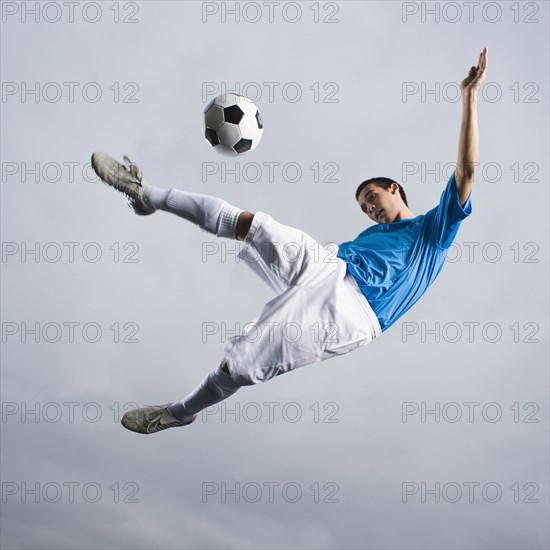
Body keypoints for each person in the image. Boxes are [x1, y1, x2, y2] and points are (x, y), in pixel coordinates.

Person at [91, 48, 487, 435]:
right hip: (331, 265)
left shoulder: (433, 232)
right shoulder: (373, 235)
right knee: (254, 224)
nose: (369, 209)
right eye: (364, 207)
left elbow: (466, 170)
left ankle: (180, 412)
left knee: (239, 366)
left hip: (350, 314)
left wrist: (469, 98)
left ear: (393, 189)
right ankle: (147, 194)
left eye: (372, 198)